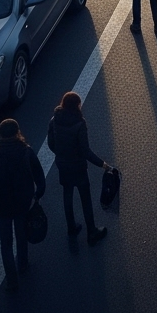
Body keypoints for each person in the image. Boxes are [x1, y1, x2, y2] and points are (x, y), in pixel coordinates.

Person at [0, 119, 45, 291]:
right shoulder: (27, 152)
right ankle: (23, 265)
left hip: (2, 207)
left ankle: (12, 280)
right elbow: (39, 176)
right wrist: (37, 194)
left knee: (6, 242)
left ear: (1, 135)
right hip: (23, 204)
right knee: (22, 234)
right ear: (18, 132)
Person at [46, 92, 110, 244]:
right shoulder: (80, 124)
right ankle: (91, 231)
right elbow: (86, 151)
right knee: (85, 199)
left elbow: (50, 143)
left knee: (67, 195)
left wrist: (60, 154)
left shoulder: (54, 120)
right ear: (76, 105)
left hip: (63, 165)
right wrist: (103, 164)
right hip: (78, 167)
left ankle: (71, 227)